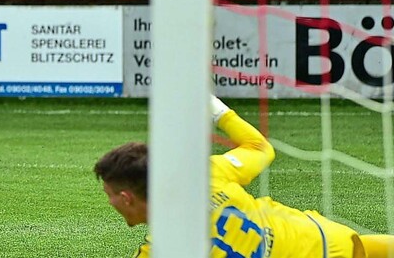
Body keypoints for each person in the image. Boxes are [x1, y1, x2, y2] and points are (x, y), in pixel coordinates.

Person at [94, 96, 394, 258]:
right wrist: (214, 108)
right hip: (327, 240)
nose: (107, 200)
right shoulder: (207, 175)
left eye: (108, 193)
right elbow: (260, 147)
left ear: (126, 197)